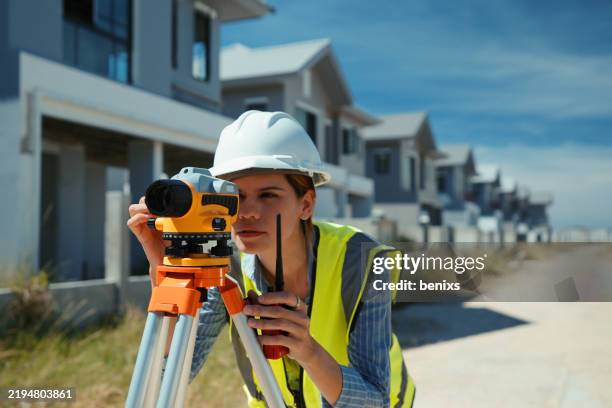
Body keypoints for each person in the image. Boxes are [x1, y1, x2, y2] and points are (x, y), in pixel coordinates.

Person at [127, 110, 415, 407]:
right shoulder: (226, 266)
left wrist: (308, 351)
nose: (249, 211)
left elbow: (374, 401)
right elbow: (169, 377)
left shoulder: (361, 263)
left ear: (306, 204)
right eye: (235, 196)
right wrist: (167, 272)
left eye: (268, 195)